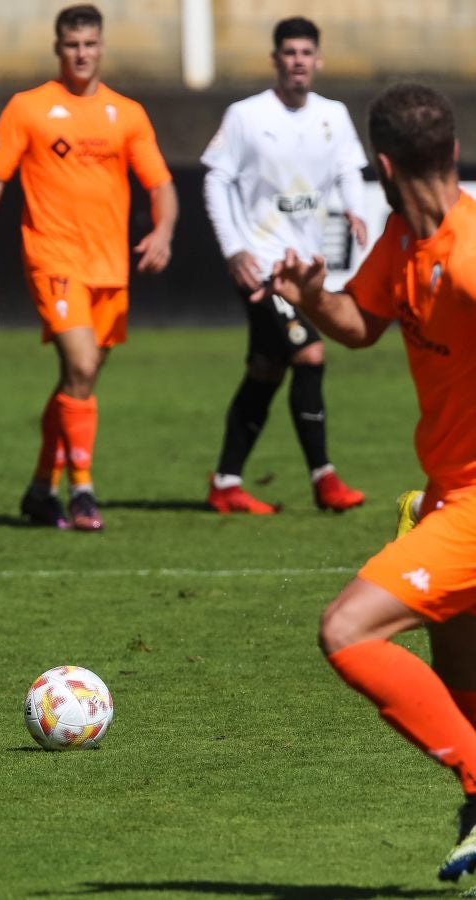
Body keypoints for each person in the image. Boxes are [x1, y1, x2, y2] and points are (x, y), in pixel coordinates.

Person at [269, 82, 476, 883]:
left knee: (347, 630)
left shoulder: (464, 260)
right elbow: (361, 324)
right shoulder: (402, 240)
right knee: (458, 681)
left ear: (380, 164)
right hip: (447, 491)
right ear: (450, 152)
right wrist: (314, 297)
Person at [0, 3, 176, 531]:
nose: (82, 54)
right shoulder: (29, 108)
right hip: (54, 257)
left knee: (80, 379)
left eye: (90, 44)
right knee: (82, 366)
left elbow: (161, 184)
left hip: (110, 267)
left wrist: (161, 231)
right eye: (72, 45)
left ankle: (39, 489)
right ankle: (83, 491)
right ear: (58, 48)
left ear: (101, 47)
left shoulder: (128, 113)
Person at [202, 16, 368, 515]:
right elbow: (215, 180)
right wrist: (234, 249)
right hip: (264, 267)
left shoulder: (333, 115)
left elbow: (348, 169)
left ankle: (226, 482)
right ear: (276, 59)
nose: (298, 61)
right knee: (309, 355)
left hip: (305, 268)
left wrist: (356, 209)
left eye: (306, 53)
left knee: (266, 370)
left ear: (318, 60)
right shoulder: (246, 116)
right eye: (289, 52)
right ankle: (325, 479)